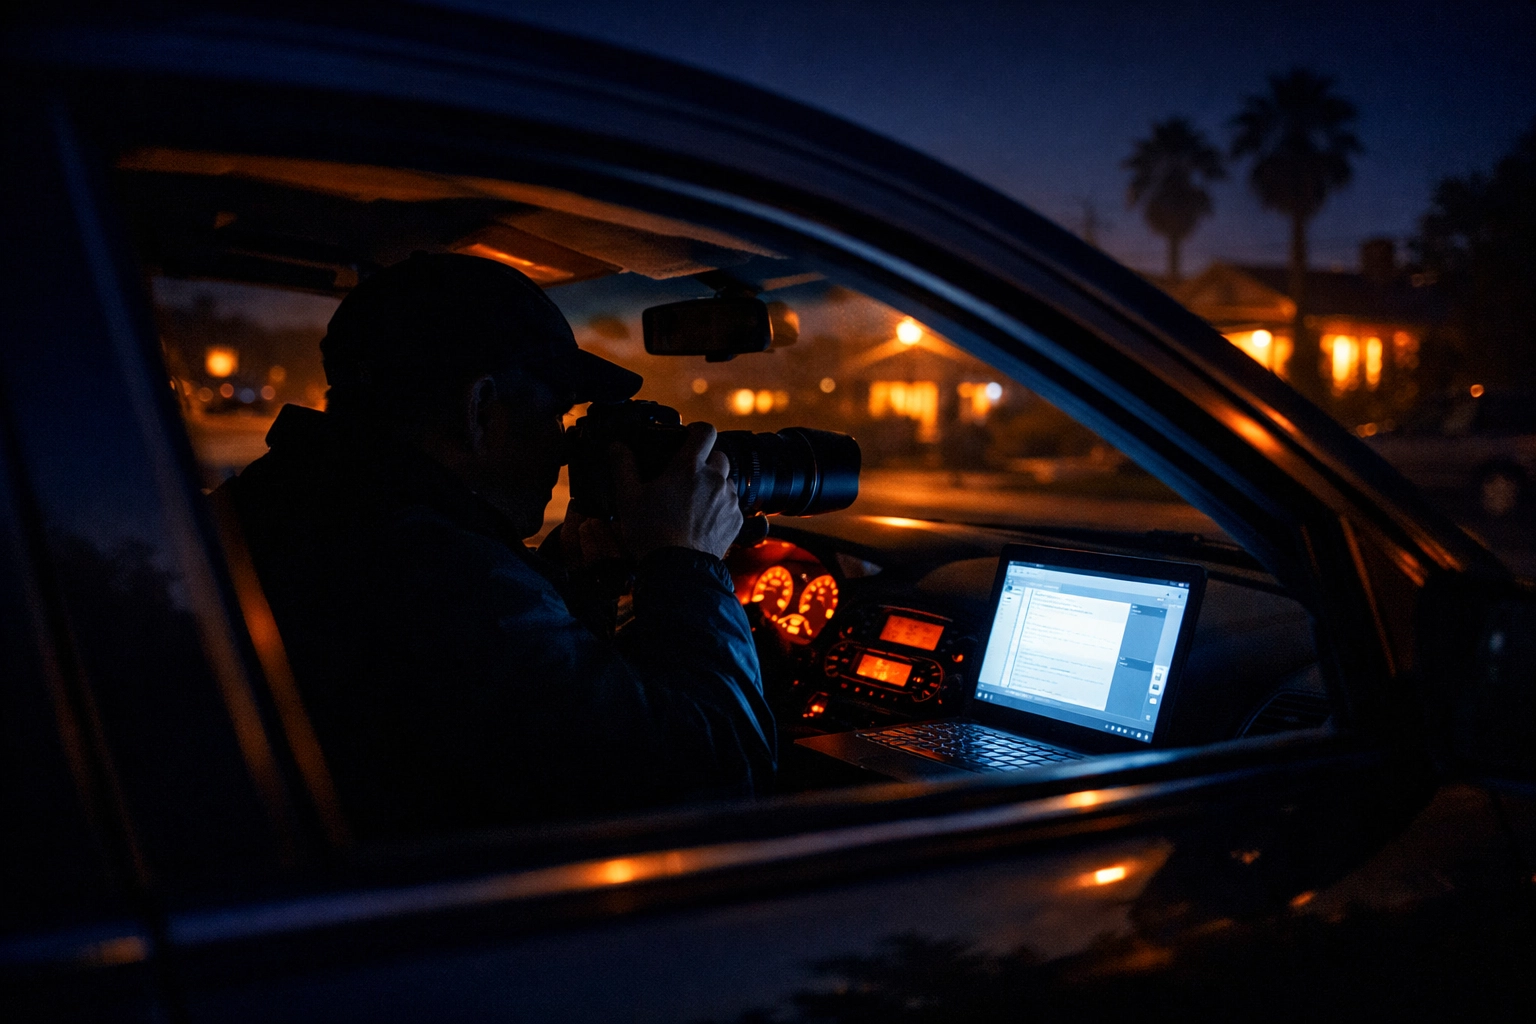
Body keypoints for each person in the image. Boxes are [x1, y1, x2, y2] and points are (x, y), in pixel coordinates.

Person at [225, 252, 775, 838]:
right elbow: (717, 779)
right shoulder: (435, 575)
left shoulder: (300, 506)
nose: (563, 449)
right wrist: (689, 565)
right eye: (555, 415)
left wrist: (573, 579)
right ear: (480, 408)